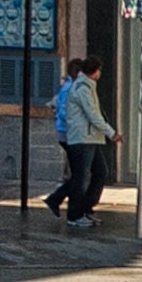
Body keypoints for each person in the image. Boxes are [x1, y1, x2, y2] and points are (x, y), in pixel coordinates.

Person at [45, 56, 113, 228]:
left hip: (87, 136)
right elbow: (90, 114)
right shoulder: (80, 87)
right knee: (81, 177)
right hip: (79, 137)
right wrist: (111, 133)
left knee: (93, 173)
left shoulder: (83, 86)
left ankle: (69, 204)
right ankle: (76, 213)